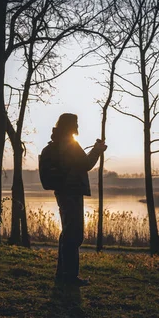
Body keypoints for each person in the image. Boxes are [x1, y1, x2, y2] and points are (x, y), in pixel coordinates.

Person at [48, 113, 107, 286]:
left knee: (68, 233)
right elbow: (85, 164)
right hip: (71, 192)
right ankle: (70, 277)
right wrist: (97, 150)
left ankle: (62, 274)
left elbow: (79, 163)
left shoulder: (58, 142)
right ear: (70, 125)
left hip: (63, 191)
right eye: (76, 123)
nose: (78, 126)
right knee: (74, 235)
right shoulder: (69, 143)